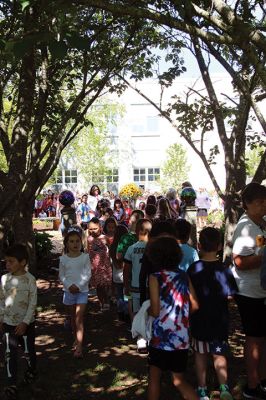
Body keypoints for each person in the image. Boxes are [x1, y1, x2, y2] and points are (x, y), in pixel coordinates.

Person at [146, 236, 199, 400]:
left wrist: (145, 311)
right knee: (179, 381)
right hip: (181, 338)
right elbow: (195, 305)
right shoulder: (184, 276)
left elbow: (155, 310)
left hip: (159, 338)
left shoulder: (155, 277)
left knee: (154, 377)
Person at [188, 227, 238, 400]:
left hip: (199, 320)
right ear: (219, 246)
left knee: (200, 354)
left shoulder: (193, 269)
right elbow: (231, 294)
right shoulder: (224, 269)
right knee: (219, 354)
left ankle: (202, 389)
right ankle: (224, 387)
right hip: (219, 320)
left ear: (200, 245)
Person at [231, 182, 266, 400]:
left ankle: (262, 380)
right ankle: (252, 385)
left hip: (261, 291)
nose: (263, 206)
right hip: (249, 292)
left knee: (263, 338)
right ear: (247, 204)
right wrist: (263, 258)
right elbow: (239, 261)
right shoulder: (245, 228)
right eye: (259, 203)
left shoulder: (260, 224)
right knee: (254, 338)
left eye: (265, 202)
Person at [0, 244, 37, 399]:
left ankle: (31, 371)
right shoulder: (4, 279)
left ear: (22, 262)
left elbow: (32, 303)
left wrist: (25, 323)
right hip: (8, 324)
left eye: (11, 261)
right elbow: (1, 300)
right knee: (9, 353)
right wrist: (1, 318)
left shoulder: (30, 280)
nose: (7, 265)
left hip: (26, 325)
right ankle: (11, 384)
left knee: (28, 352)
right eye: (6, 262)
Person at [59, 231, 91, 358]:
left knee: (79, 317)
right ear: (66, 243)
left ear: (81, 242)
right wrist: (69, 286)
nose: (75, 244)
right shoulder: (63, 259)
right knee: (73, 318)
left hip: (82, 292)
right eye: (71, 241)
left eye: (77, 241)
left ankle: (79, 347)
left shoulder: (85, 257)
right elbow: (61, 275)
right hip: (68, 292)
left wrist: (79, 286)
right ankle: (75, 339)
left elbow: (88, 274)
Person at [87, 217, 112, 311]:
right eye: (90, 229)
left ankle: (107, 300)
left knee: (106, 284)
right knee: (98, 286)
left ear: (100, 228)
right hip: (94, 267)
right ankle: (102, 302)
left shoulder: (104, 238)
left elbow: (110, 249)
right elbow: (87, 251)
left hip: (104, 265)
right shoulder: (89, 239)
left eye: (95, 228)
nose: (93, 231)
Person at [109, 224, 129, 321]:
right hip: (125, 275)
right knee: (127, 294)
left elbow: (113, 263)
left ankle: (120, 312)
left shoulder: (112, 247)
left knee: (119, 295)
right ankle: (127, 312)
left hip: (116, 275)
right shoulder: (126, 247)